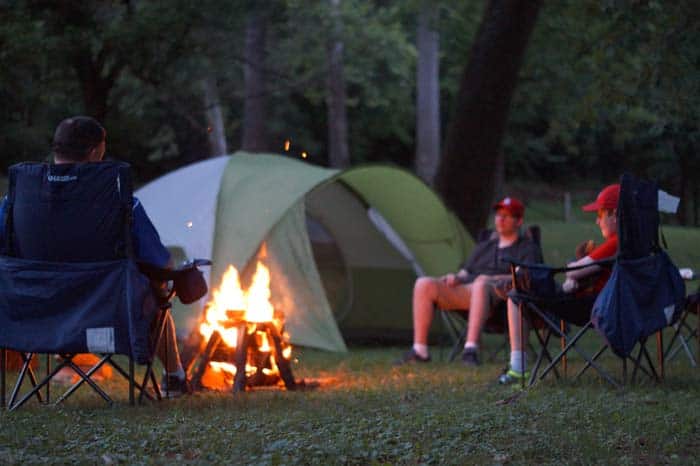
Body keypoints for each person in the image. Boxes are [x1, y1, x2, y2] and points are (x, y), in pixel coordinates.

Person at [0, 116, 190, 396]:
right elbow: (160, 261)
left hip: (33, 315)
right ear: (94, 153)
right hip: (105, 314)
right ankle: (175, 378)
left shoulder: (16, 202)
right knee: (157, 293)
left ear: (57, 150)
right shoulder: (119, 201)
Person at [395, 197, 542, 365]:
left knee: (480, 284)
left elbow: (526, 276)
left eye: (506, 216)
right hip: (469, 291)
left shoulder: (526, 247)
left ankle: (470, 350)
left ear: (519, 221)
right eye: (498, 215)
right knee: (424, 283)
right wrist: (456, 277)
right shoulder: (486, 245)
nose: (500, 219)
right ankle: (420, 350)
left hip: (501, 296)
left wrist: (491, 279)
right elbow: (467, 271)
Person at [499, 183, 620, 384]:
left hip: (590, 307)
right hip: (603, 303)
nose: (597, 221)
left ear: (614, 214)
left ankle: (518, 366)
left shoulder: (615, 243)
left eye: (600, 214)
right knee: (520, 288)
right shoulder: (635, 245)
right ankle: (523, 286)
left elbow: (576, 271)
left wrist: (573, 273)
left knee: (517, 295)